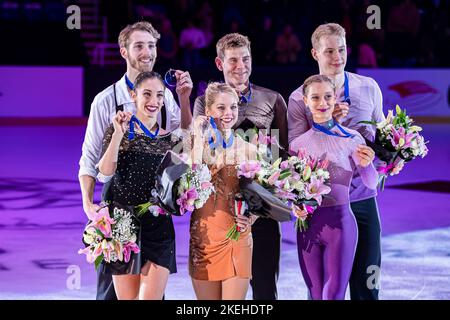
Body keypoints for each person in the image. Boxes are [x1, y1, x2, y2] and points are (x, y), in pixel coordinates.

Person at [78, 21, 193, 300]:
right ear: (124, 52)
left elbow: (184, 141)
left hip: (155, 212)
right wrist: (87, 203)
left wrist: (184, 98)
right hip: (119, 207)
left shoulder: (165, 97)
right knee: (110, 295)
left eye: (151, 45)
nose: (147, 52)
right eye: (139, 45)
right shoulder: (105, 100)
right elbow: (90, 159)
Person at [287, 23, 385, 300]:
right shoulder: (299, 98)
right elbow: (296, 156)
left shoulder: (369, 87)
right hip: (322, 206)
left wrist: (391, 159)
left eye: (341, 49)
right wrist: (330, 125)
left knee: (367, 283)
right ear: (315, 53)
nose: (337, 57)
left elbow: (381, 137)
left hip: (364, 199)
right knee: (324, 290)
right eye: (329, 50)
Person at [193, 33, 288, 300]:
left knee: (265, 289)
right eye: (233, 60)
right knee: (223, 289)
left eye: (245, 59)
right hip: (221, 212)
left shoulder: (272, 99)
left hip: (263, 208)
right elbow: (198, 153)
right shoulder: (204, 102)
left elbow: (281, 157)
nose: (240, 66)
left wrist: (264, 204)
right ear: (219, 63)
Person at [97, 71, 187, 300]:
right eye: (146, 94)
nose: (153, 101)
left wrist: (184, 98)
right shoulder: (119, 130)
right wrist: (117, 135)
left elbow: (184, 166)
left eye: (159, 95)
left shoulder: (171, 139)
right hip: (123, 225)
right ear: (133, 95)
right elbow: (105, 172)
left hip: (159, 228)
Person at [189, 82, 258, 300]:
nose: (228, 114)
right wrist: (198, 138)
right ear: (208, 110)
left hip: (237, 237)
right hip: (204, 237)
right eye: (221, 108)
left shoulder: (249, 149)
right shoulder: (192, 144)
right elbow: (187, 186)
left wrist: (251, 218)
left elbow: (261, 195)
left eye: (233, 107)